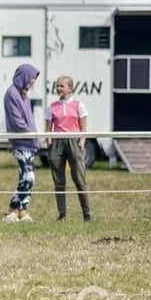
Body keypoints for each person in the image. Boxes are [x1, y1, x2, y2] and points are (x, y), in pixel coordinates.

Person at [44, 75, 92, 222]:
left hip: (73, 142)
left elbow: (83, 127)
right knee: (59, 181)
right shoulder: (51, 107)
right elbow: (48, 128)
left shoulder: (79, 105)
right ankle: (62, 215)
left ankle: (87, 214)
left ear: (70, 88)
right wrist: (50, 143)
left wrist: (81, 143)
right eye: (57, 86)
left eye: (61, 86)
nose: (58, 88)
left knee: (79, 179)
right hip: (57, 143)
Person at [3, 63, 40, 223]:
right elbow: (17, 122)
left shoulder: (24, 94)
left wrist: (37, 138)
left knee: (26, 178)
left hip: (29, 142)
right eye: (32, 77)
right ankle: (12, 209)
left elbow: (30, 120)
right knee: (28, 176)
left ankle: (22, 211)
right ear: (25, 76)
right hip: (20, 142)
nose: (33, 81)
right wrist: (33, 134)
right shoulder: (11, 93)